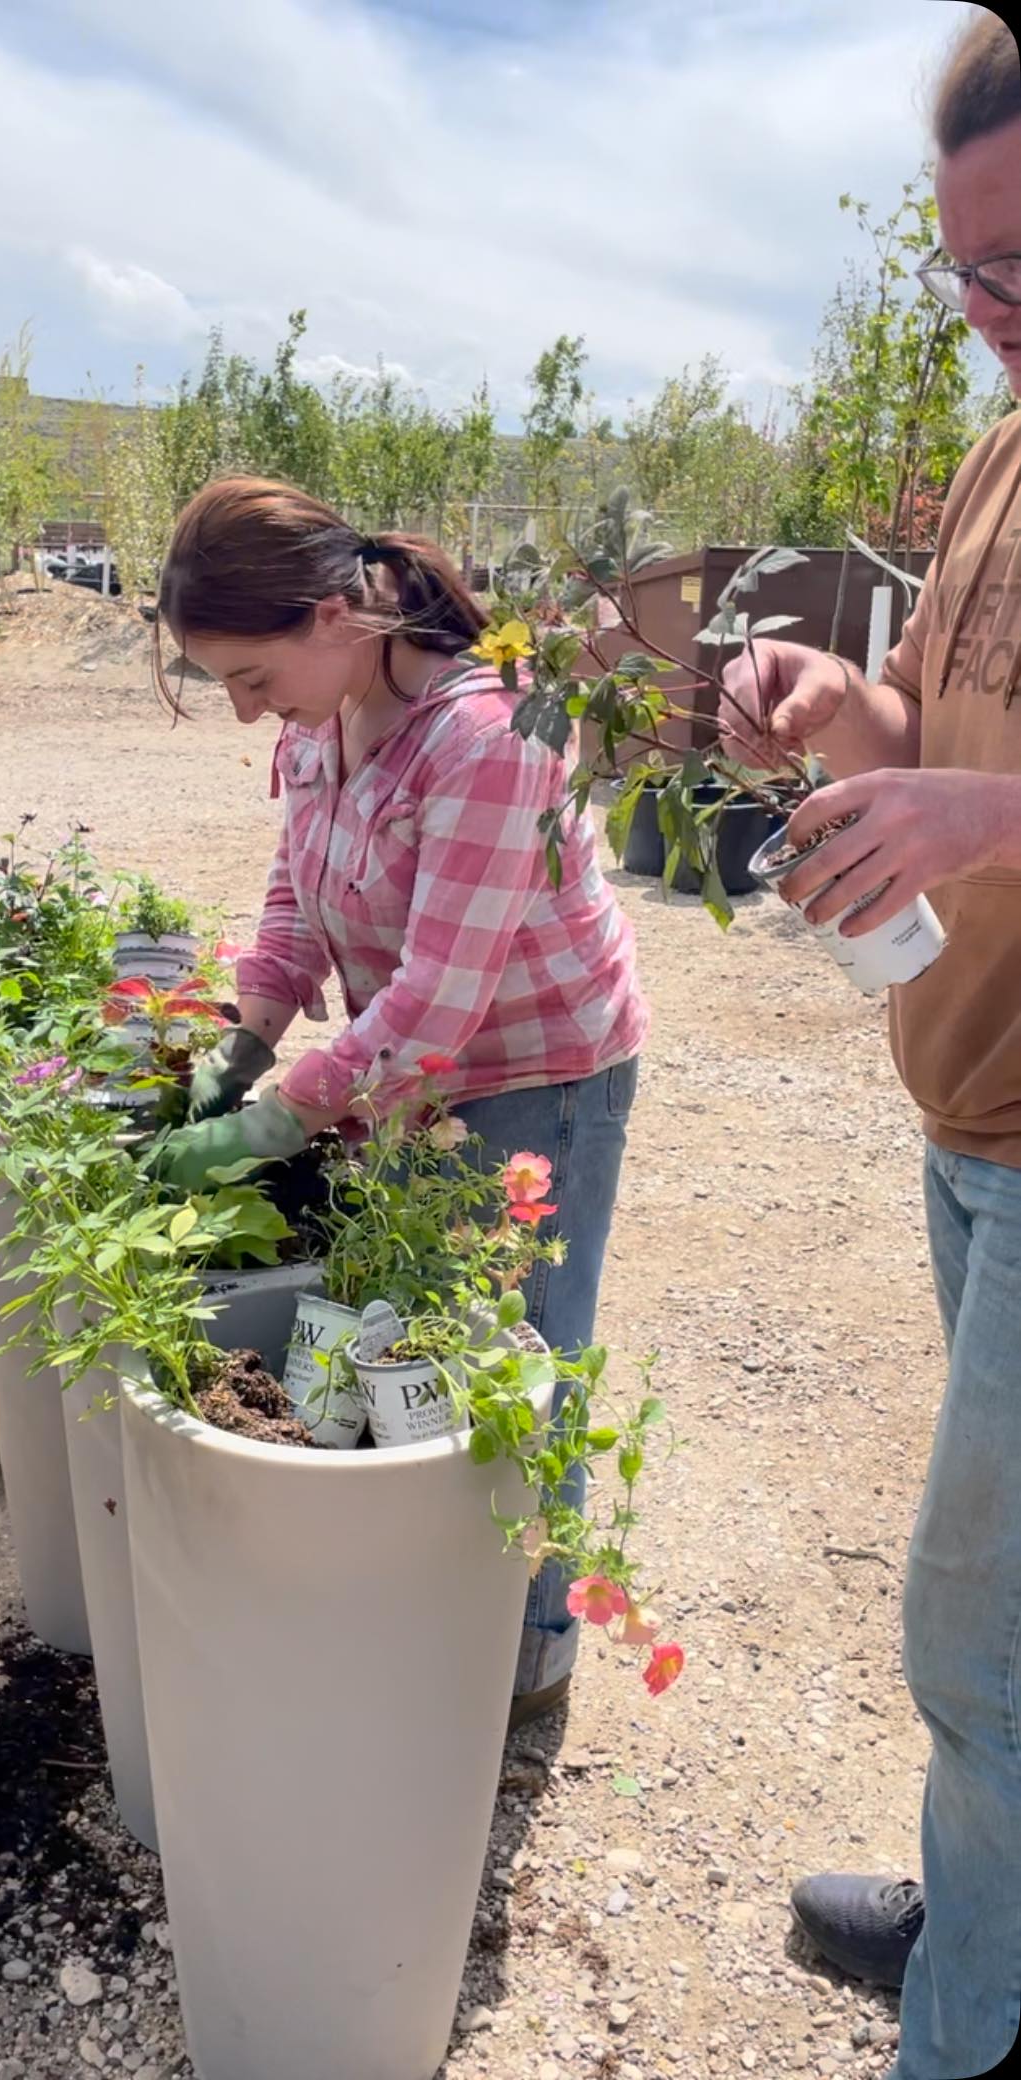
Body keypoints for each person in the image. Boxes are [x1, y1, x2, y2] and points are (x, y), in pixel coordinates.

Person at [150, 475, 649, 1723]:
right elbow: (294, 901)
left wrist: (274, 1120)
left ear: (334, 616)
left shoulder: (487, 739)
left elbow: (433, 1006)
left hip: (538, 1075)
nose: (247, 710)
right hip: (412, 1074)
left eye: (251, 678)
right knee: (420, 1329)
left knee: (522, 1361)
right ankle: (437, 1610)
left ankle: (528, 1656)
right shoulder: (325, 715)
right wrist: (241, 1042)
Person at [720, 14, 1021, 2077]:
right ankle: (988, 1892)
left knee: (976, 1639)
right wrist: (845, 708)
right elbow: (933, 717)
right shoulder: (1003, 448)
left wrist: (990, 819)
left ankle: (969, 2013)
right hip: (968, 1108)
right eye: (966, 266)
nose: (988, 311)